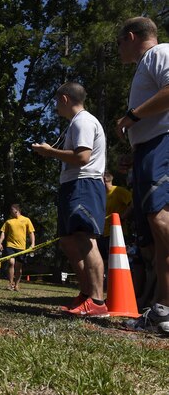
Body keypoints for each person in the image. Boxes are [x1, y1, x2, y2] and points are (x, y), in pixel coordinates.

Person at [32, 81, 107, 316]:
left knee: (85, 239)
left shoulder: (83, 121)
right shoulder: (77, 122)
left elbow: (83, 156)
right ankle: (85, 295)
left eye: (56, 101)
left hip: (84, 184)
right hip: (72, 185)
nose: (56, 106)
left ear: (64, 99)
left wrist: (49, 152)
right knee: (68, 241)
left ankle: (97, 300)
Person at [114, 17, 169, 333]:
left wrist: (131, 117)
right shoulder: (149, 63)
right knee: (158, 232)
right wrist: (135, 156)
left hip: (161, 145)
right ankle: (163, 311)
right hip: (150, 149)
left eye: (120, 42)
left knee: (161, 221)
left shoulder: (158, 53)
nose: (119, 49)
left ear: (131, 37)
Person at [99, 171, 133, 271]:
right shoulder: (101, 195)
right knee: (103, 260)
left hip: (117, 233)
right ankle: (105, 284)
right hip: (102, 233)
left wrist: (122, 218)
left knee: (116, 260)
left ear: (106, 179)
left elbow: (132, 204)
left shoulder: (118, 191)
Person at [0, 204, 35, 291]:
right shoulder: (8, 221)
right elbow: (3, 232)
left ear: (16, 210)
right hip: (10, 246)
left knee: (19, 267)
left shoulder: (26, 220)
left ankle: (17, 285)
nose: (10, 212)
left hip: (21, 247)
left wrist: (32, 244)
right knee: (11, 263)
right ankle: (10, 283)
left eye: (11, 210)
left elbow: (31, 232)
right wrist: (0, 242)